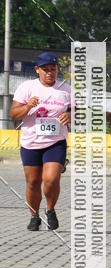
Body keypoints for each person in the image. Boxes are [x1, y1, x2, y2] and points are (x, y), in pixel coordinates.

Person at [10, 52, 71, 230]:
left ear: (58, 69)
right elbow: (14, 114)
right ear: (37, 69)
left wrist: (70, 115)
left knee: (51, 179)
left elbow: (79, 111)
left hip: (55, 142)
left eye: (53, 69)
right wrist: (28, 106)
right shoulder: (27, 87)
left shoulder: (66, 89)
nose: (49, 72)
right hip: (30, 142)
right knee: (33, 182)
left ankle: (50, 209)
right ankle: (34, 216)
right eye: (45, 69)